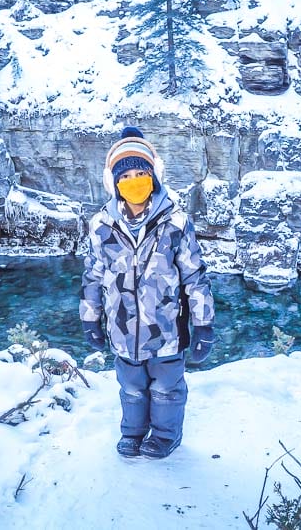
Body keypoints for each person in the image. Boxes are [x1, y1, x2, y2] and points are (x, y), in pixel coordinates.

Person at [80, 126, 215, 459]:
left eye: (142, 173)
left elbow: (195, 276)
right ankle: (133, 433)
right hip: (123, 330)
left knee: (167, 387)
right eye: (126, 175)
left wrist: (204, 325)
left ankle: (167, 435)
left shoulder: (176, 223)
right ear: (114, 183)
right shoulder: (101, 226)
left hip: (168, 329)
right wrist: (90, 319)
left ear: (154, 176)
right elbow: (93, 275)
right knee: (131, 387)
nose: (135, 181)